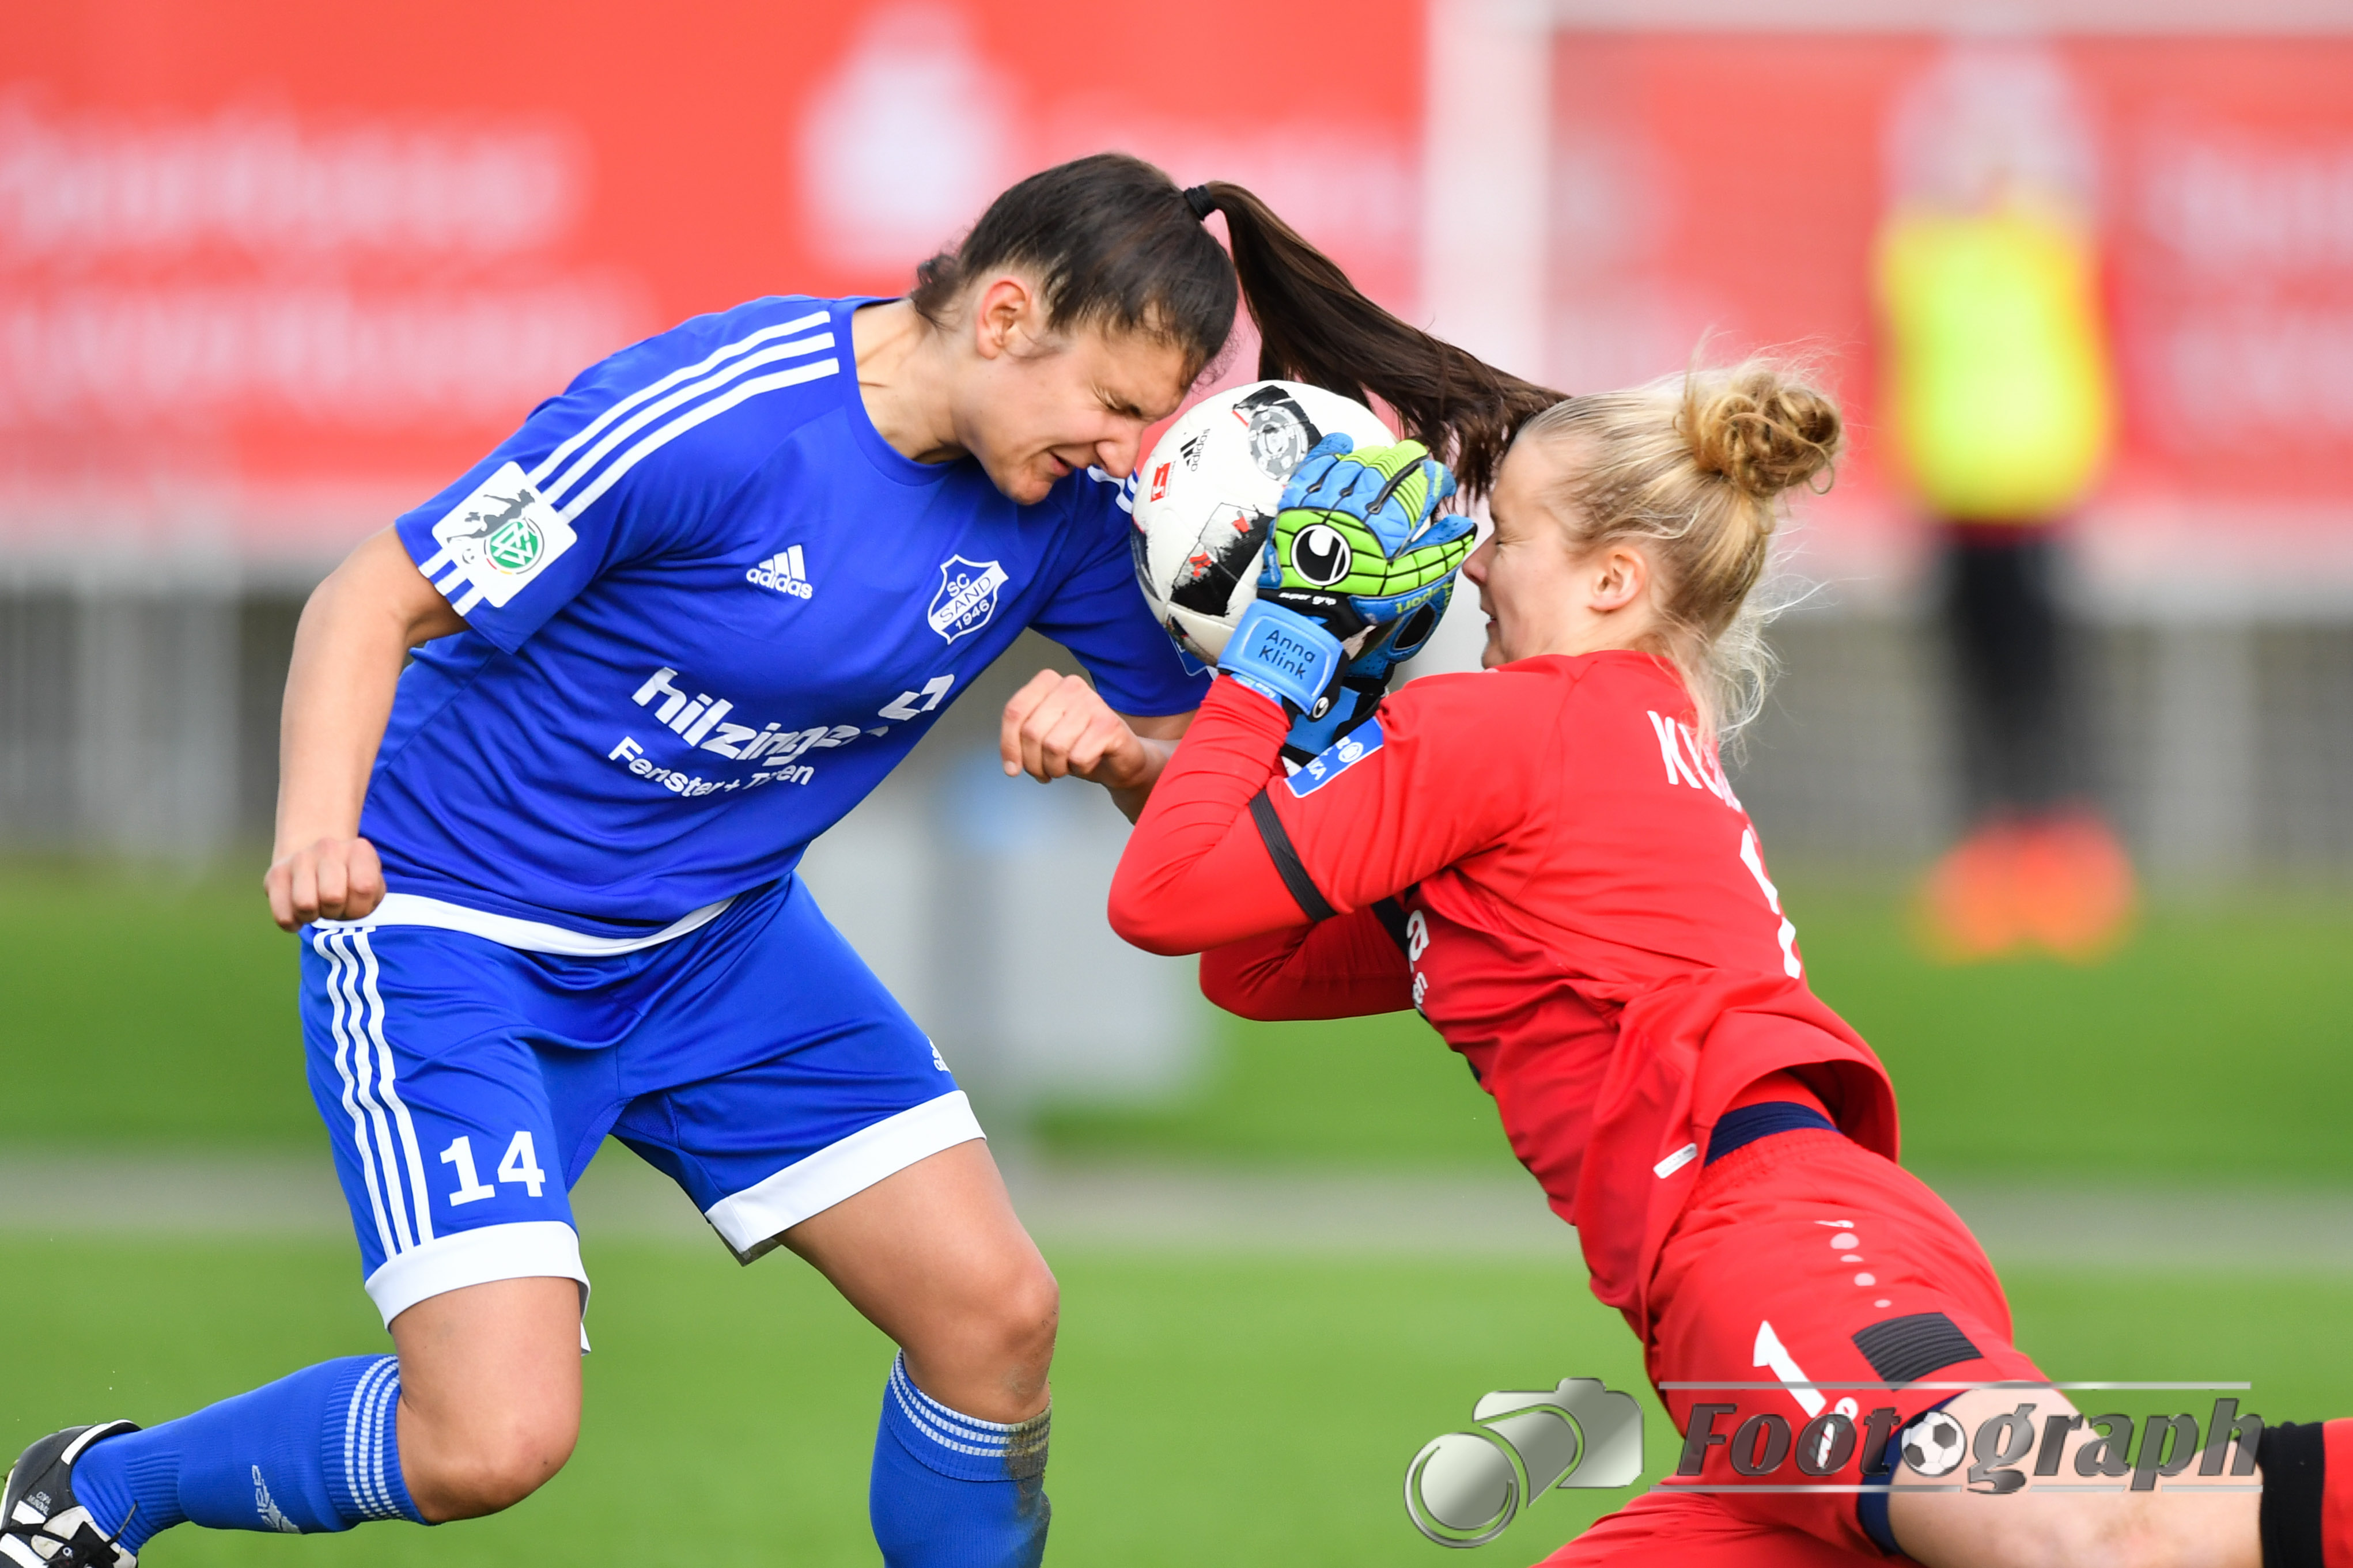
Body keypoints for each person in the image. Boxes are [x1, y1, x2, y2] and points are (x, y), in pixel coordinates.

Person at [1, 154, 1553, 1568]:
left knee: (995, 1316)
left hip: (722, 948)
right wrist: (318, 829)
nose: (1133, 452)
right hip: (455, 938)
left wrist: (1129, 755)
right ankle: (102, 1492)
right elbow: (370, 598)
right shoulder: (710, 420)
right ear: (1004, 314)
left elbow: (1206, 822)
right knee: (491, 1441)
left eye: (1156, 421)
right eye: (1116, 402)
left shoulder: (1072, 518)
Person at [1103, 369, 2336, 1565]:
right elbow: (1252, 964)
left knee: (2104, 1534)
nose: (1471, 565)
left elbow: (1163, 900)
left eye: (1507, 536)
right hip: (1781, 1259)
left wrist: (1281, 647)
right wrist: (1295, 723)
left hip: (1777, 1252)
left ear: (1610, 579)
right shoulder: (1597, 732)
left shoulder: (1507, 729)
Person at [1876, 40, 2136, 962]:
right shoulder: (1924, 262)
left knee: (2046, 684)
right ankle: (1985, 857)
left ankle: (2063, 857)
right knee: (1970, 686)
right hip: (1953, 508)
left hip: (2035, 504)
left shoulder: (2049, 254)